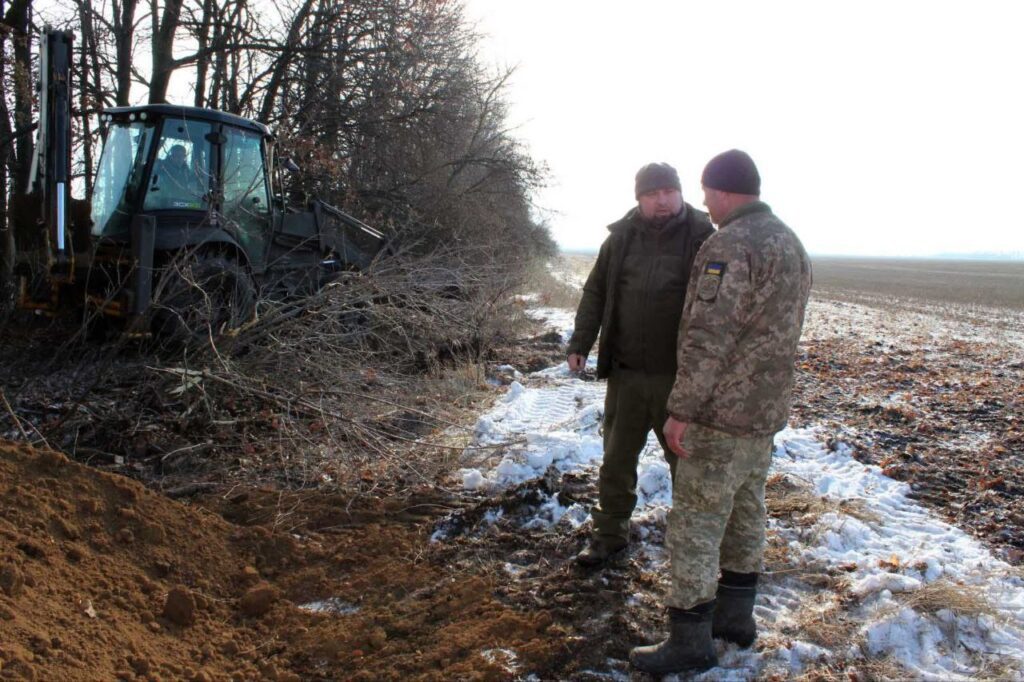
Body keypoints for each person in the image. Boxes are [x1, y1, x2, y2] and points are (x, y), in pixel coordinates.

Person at [629, 150, 812, 675]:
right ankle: (736, 618)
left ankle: (689, 640)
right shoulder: (789, 242)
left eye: (707, 191)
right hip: (763, 415)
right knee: (747, 511)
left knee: (695, 524)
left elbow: (709, 337)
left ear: (725, 190)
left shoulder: (729, 244)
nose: (702, 202)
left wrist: (681, 409)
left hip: (719, 416)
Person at [565, 162, 714, 567]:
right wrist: (581, 341)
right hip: (627, 374)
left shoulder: (705, 237)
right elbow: (595, 291)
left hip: (679, 380)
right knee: (615, 461)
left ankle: (694, 545)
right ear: (639, 199)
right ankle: (609, 534)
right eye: (652, 194)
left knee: (688, 466)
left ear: (681, 194)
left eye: (668, 191)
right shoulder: (620, 239)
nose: (661, 200)